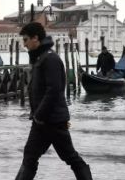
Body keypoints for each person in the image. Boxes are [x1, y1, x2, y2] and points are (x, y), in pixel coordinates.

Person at [16, 22, 93, 180]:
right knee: (30, 156)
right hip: (43, 121)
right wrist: (37, 117)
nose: (24, 44)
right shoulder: (41, 58)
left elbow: (54, 90)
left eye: (25, 40)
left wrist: (39, 116)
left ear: (35, 38)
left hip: (52, 120)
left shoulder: (50, 59)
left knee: (70, 157)